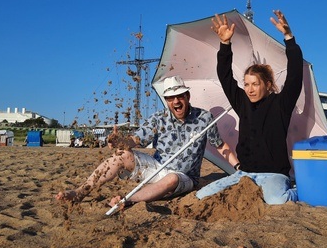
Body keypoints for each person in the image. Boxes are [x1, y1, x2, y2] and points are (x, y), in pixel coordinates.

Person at [55, 75, 239, 208]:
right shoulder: (159, 118)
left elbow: (220, 146)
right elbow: (136, 139)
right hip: (157, 167)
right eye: (170, 98)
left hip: (184, 176)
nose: (176, 101)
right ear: (166, 100)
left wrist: (237, 167)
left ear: (187, 97)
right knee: (121, 155)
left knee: (172, 178)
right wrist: (120, 142)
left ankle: (128, 200)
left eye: (180, 96)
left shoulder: (205, 118)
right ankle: (80, 192)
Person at [196, 10, 303, 204]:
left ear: (268, 85)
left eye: (255, 84)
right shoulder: (242, 103)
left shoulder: (281, 104)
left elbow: (295, 75)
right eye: (246, 84)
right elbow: (225, 76)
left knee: (276, 201)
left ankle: (296, 191)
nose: (250, 89)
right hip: (245, 174)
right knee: (201, 196)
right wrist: (225, 44)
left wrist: (289, 38)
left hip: (274, 175)